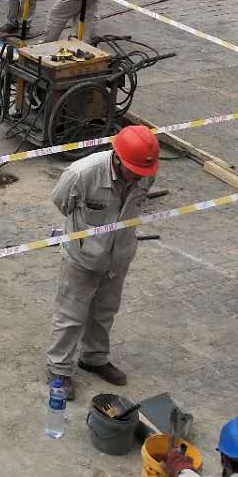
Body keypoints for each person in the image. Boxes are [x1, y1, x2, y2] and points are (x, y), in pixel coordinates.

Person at [43, 125, 159, 401]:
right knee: (71, 315)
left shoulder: (145, 172)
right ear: (117, 158)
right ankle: (59, 369)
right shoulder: (82, 174)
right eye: (133, 171)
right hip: (82, 257)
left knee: (105, 311)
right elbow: (61, 201)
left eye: (142, 173)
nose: (138, 177)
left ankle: (94, 358)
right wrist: (85, 239)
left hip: (119, 256)